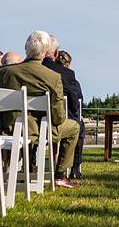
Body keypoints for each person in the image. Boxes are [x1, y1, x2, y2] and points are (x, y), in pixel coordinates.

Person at [0, 31, 80, 189]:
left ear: (26, 47)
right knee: (74, 127)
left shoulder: (4, 72)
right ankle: (60, 175)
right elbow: (58, 117)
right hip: (39, 131)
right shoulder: (53, 77)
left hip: (8, 128)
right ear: (47, 51)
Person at [41, 36, 85, 178]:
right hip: (56, 123)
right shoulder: (66, 74)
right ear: (55, 52)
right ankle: (70, 169)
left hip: (26, 125)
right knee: (78, 126)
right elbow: (75, 101)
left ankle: (31, 164)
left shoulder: (16, 70)